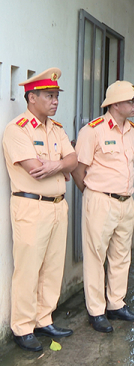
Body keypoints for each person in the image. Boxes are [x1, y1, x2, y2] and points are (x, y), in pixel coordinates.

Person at [3, 68, 77, 351]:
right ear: (31, 97)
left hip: (58, 206)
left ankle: (43, 318)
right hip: (30, 206)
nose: (55, 101)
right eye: (49, 95)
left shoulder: (56, 129)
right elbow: (35, 170)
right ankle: (23, 327)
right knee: (28, 268)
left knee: (52, 266)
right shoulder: (16, 129)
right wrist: (62, 167)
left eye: (56, 96)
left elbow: (73, 159)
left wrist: (57, 166)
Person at [72, 80, 134, 333]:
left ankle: (116, 304)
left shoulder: (132, 130)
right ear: (115, 104)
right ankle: (96, 311)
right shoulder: (92, 131)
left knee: (121, 256)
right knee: (95, 256)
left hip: (126, 201)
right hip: (101, 200)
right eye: (130, 101)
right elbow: (78, 169)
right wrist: (93, 194)